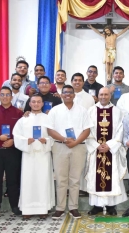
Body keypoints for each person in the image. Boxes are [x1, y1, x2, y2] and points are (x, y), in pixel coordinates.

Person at [47, 85, 93, 219]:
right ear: (61, 95)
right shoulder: (55, 111)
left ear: (74, 95)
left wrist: (76, 142)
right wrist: (65, 139)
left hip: (78, 147)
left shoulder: (82, 110)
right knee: (61, 179)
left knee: (74, 179)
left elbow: (87, 130)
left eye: (70, 92)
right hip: (60, 146)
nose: (67, 94)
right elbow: (50, 130)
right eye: (65, 92)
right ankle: (60, 208)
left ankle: (73, 207)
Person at [85, 88, 127, 216]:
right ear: (97, 96)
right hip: (95, 150)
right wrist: (96, 145)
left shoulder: (118, 111)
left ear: (110, 96)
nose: (103, 96)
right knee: (95, 176)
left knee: (112, 176)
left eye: (106, 94)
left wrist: (109, 145)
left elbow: (121, 129)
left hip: (111, 151)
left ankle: (111, 206)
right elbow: (87, 130)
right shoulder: (91, 111)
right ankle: (96, 206)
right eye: (101, 94)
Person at [13, 94, 55, 219]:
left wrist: (46, 140)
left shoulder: (48, 118)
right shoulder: (23, 119)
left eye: (38, 102)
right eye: (33, 102)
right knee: (28, 181)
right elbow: (16, 135)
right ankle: (27, 209)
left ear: (42, 104)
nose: (36, 104)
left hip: (43, 154)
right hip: (29, 155)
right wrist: (26, 140)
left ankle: (43, 208)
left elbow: (54, 136)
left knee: (43, 181)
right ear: (30, 104)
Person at [0, 86, 24, 216]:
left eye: (8, 95)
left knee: (13, 179)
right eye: (2, 95)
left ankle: (14, 205)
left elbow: (22, 132)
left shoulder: (18, 113)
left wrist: (13, 140)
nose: (5, 97)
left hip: (13, 151)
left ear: (12, 97)